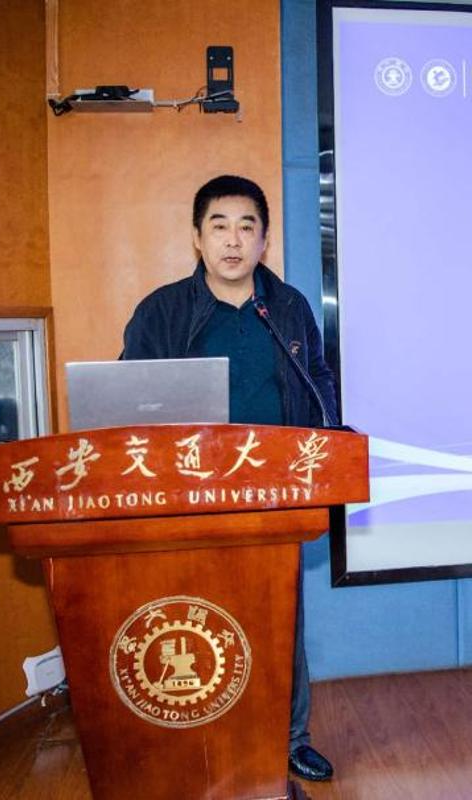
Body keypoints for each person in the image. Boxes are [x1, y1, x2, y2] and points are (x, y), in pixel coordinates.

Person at [120, 174, 337, 782]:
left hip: (274, 490)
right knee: (198, 619)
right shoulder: (162, 311)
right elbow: (128, 399)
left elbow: (318, 377)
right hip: (191, 495)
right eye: (219, 226)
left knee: (280, 618)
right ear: (197, 237)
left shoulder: (288, 307)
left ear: (265, 240)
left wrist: (326, 437)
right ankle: (200, 739)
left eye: (247, 227)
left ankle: (290, 739)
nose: (233, 240)